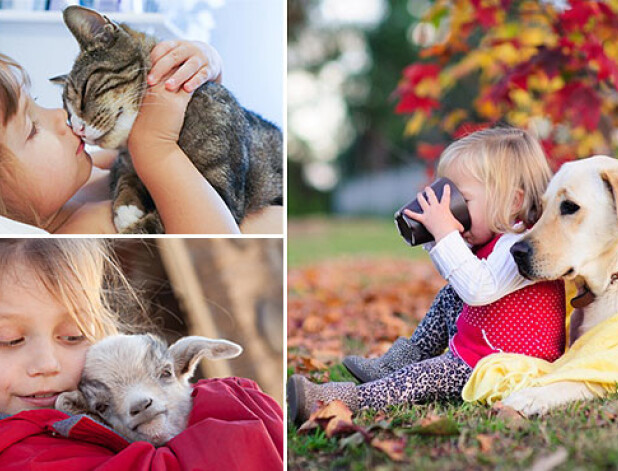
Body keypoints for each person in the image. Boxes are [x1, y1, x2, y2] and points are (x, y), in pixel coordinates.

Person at [288, 127, 566, 424]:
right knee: (448, 296)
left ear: (513, 201)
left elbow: (477, 289)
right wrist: (437, 237)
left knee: (420, 377)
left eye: (464, 201)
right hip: (480, 355)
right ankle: (401, 359)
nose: (454, 211)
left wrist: (445, 232)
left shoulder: (521, 245)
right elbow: (457, 280)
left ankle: (336, 398)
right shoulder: (493, 240)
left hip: (502, 368)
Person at [0, 238, 283, 470]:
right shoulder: (22, 455)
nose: (47, 364)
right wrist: (232, 399)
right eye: (9, 339)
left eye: (73, 336)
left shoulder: (75, 424)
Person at [0, 40, 281, 234]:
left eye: (36, 101)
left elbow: (202, 137)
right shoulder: (80, 238)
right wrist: (156, 149)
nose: (61, 117)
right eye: (32, 128)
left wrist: (204, 66)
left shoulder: (92, 171)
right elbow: (219, 246)